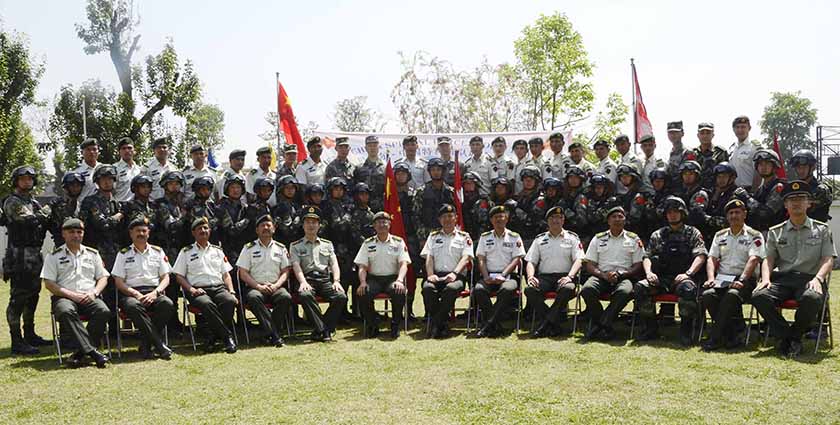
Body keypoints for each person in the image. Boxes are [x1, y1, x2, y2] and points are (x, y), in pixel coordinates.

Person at [752, 180, 836, 357]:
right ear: (785, 205)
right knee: (759, 295)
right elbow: (768, 259)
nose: (796, 202)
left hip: (809, 279)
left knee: (812, 298)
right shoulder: (776, 231)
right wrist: (765, 279)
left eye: (801, 198)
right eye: (791, 199)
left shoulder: (822, 230)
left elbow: (828, 259)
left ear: (809, 203)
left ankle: (791, 337)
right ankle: (789, 337)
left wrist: (818, 279)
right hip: (783, 279)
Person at [637, 196, 708, 345]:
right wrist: (649, 273)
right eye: (669, 212)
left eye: (676, 212)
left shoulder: (692, 233)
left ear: (683, 214)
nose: (672, 215)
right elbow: (647, 256)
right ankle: (650, 328)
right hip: (661, 278)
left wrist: (688, 274)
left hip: (684, 277)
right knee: (641, 288)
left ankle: (685, 331)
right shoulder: (658, 234)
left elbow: (701, 256)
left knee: (689, 290)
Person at [41, 218, 111, 367]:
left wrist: (94, 292)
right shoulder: (53, 256)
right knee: (65, 311)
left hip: (89, 295)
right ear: (63, 234)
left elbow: (103, 277)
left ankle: (80, 353)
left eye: (79, 232)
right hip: (64, 297)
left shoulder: (92, 254)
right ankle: (93, 352)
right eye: (71, 232)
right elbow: (49, 284)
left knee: (103, 311)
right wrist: (72, 295)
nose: (76, 235)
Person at [701, 199, 764, 351]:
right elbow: (712, 258)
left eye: (737, 212)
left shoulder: (754, 235)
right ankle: (732, 333)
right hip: (722, 278)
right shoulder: (720, 235)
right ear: (727, 217)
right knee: (708, 295)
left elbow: (754, 259)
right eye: (731, 213)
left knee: (732, 295)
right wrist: (710, 278)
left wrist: (742, 279)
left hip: (745, 279)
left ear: (745, 214)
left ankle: (715, 337)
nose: (734, 215)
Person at [4, 166, 52, 354]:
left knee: (33, 295)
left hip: (34, 253)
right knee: (18, 298)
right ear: (16, 181)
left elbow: (44, 223)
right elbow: (30, 221)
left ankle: (30, 334)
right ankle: (17, 341)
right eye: (23, 178)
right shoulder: (12, 201)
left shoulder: (32, 201)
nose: (27, 182)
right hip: (19, 254)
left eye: (30, 178)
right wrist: (48, 209)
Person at [111, 217, 175, 359]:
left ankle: (146, 345)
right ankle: (159, 344)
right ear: (131, 233)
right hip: (131, 293)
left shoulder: (158, 252)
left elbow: (166, 278)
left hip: (154, 291)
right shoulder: (123, 254)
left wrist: (155, 293)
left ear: (148, 233)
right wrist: (135, 294)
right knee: (133, 307)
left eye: (144, 231)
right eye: (137, 231)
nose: (141, 233)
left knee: (167, 304)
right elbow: (119, 281)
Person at [173, 217, 238, 353]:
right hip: (198, 290)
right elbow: (179, 276)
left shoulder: (217, 251)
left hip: (219, 288)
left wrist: (231, 291)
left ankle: (212, 337)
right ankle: (227, 337)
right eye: (199, 229)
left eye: (206, 228)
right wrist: (192, 289)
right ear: (193, 233)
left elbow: (226, 274)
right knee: (207, 304)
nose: (203, 231)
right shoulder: (186, 252)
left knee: (230, 301)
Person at [581, 207, 645, 341]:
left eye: (620, 216)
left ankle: (600, 325)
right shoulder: (598, 238)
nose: (617, 219)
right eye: (614, 217)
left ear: (625, 220)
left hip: (624, 276)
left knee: (625, 292)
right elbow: (589, 264)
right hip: (602, 275)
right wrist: (603, 275)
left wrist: (621, 274)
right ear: (608, 221)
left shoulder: (634, 239)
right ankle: (606, 325)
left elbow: (638, 265)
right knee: (587, 290)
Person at [289, 206, 348, 341]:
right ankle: (324, 330)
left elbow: (334, 264)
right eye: (308, 222)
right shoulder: (295, 245)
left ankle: (321, 329)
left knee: (341, 296)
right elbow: (296, 265)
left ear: (319, 225)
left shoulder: (327, 244)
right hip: (307, 279)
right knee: (305, 294)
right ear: (303, 225)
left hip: (324, 280)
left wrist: (336, 281)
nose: (311, 225)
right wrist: (302, 282)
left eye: (314, 222)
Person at [525, 206, 584, 337]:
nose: (556, 220)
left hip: (565, 276)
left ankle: (544, 325)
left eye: (559, 218)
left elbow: (579, 260)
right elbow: (531, 261)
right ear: (547, 221)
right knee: (530, 290)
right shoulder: (539, 239)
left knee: (568, 289)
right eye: (553, 218)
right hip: (544, 277)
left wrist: (570, 276)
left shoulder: (573, 238)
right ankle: (553, 323)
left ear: (563, 220)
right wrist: (530, 277)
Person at [237, 214, 291, 347]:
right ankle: (275, 335)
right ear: (257, 230)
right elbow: (242, 273)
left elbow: (286, 271)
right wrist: (258, 287)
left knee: (285, 297)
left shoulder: (280, 248)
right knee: (254, 298)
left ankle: (268, 333)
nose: (266, 228)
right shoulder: (248, 248)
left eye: (268, 225)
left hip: (275, 287)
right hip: (256, 288)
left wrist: (277, 285)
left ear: (274, 228)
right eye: (262, 225)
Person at [354, 212, 411, 338]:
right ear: (374, 226)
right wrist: (363, 282)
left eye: (385, 222)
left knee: (399, 292)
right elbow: (362, 266)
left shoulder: (398, 242)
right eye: (378, 222)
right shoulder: (368, 243)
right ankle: (373, 323)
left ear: (389, 224)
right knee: (363, 293)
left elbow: (403, 264)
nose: (382, 225)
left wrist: (400, 280)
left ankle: (395, 324)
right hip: (374, 279)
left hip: (393, 278)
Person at [420, 205, 474, 338]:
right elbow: (429, 257)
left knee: (450, 289)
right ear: (439, 220)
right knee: (427, 288)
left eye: (450, 216)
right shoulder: (433, 236)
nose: (447, 219)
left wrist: (454, 273)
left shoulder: (464, 237)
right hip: (436, 275)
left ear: (456, 218)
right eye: (444, 217)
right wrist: (430, 274)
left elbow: (466, 258)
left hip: (456, 276)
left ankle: (436, 324)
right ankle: (442, 323)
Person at [474, 205, 527, 337]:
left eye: (501, 217)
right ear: (491, 220)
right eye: (496, 217)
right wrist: (486, 276)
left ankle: (488, 324)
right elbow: (481, 259)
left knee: (507, 290)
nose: (499, 219)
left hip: (509, 276)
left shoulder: (514, 237)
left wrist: (503, 275)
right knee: (479, 289)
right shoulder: (485, 237)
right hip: (489, 274)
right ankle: (494, 324)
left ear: (507, 219)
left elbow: (517, 259)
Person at [413, 158, 455, 242]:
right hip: (427, 235)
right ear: (429, 172)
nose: (436, 172)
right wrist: (422, 237)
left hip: (448, 234)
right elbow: (415, 216)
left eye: (439, 170)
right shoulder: (421, 192)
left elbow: (456, 215)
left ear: (443, 171)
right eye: (433, 170)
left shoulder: (451, 192)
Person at [746, 149, 786, 232]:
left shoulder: (779, 187)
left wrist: (746, 198)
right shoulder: (760, 189)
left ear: (775, 167)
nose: (763, 167)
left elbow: (765, 214)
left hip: (775, 234)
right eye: (760, 164)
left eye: (767, 164)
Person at [788, 149, 832, 222]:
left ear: (813, 168)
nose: (801, 171)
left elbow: (803, 208)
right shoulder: (794, 188)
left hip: (816, 231)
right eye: (798, 167)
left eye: (804, 167)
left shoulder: (822, 189)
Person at [684, 122, 729, 190]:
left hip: (715, 191)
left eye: (708, 133)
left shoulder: (720, 152)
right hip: (695, 191)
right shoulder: (692, 153)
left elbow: (726, 174)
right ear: (698, 135)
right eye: (702, 133)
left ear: (713, 135)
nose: (705, 136)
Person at [48, 172, 84, 247]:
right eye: (72, 186)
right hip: (61, 247)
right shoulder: (56, 204)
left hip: (79, 247)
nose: (75, 188)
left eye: (78, 186)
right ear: (66, 187)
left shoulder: (82, 205)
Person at [354, 135, 386, 211]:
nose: (372, 148)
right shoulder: (359, 168)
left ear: (379, 147)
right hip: (363, 207)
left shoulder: (385, 168)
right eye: (370, 146)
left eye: (375, 145)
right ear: (365, 148)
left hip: (381, 206)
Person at [729, 116, 760, 190]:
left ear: (749, 128)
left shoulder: (755, 147)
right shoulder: (732, 148)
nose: (740, 130)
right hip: (733, 190)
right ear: (733, 129)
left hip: (749, 189)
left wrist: (754, 192)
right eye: (737, 127)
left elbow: (758, 172)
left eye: (743, 127)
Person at [142, 136, 177, 201]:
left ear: (168, 150)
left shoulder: (173, 168)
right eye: (159, 147)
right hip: (153, 204)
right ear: (154, 150)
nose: (162, 149)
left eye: (164, 147)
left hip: (170, 204)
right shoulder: (147, 167)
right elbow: (141, 189)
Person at [72, 137, 101, 202]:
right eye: (88, 149)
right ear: (82, 152)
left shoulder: (104, 168)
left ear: (98, 152)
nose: (91, 152)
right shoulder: (76, 173)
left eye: (94, 149)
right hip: (84, 209)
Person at [113, 137, 142, 202]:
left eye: (129, 148)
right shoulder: (114, 169)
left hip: (136, 207)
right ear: (119, 152)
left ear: (134, 151)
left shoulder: (139, 169)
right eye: (124, 148)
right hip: (120, 207)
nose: (127, 150)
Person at [665, 121, 687, 189]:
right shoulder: (671, 152)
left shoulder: (687, 152)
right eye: (671, 133)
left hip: (683, 191)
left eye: (676, 132)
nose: (673, 135)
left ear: (682, 133)